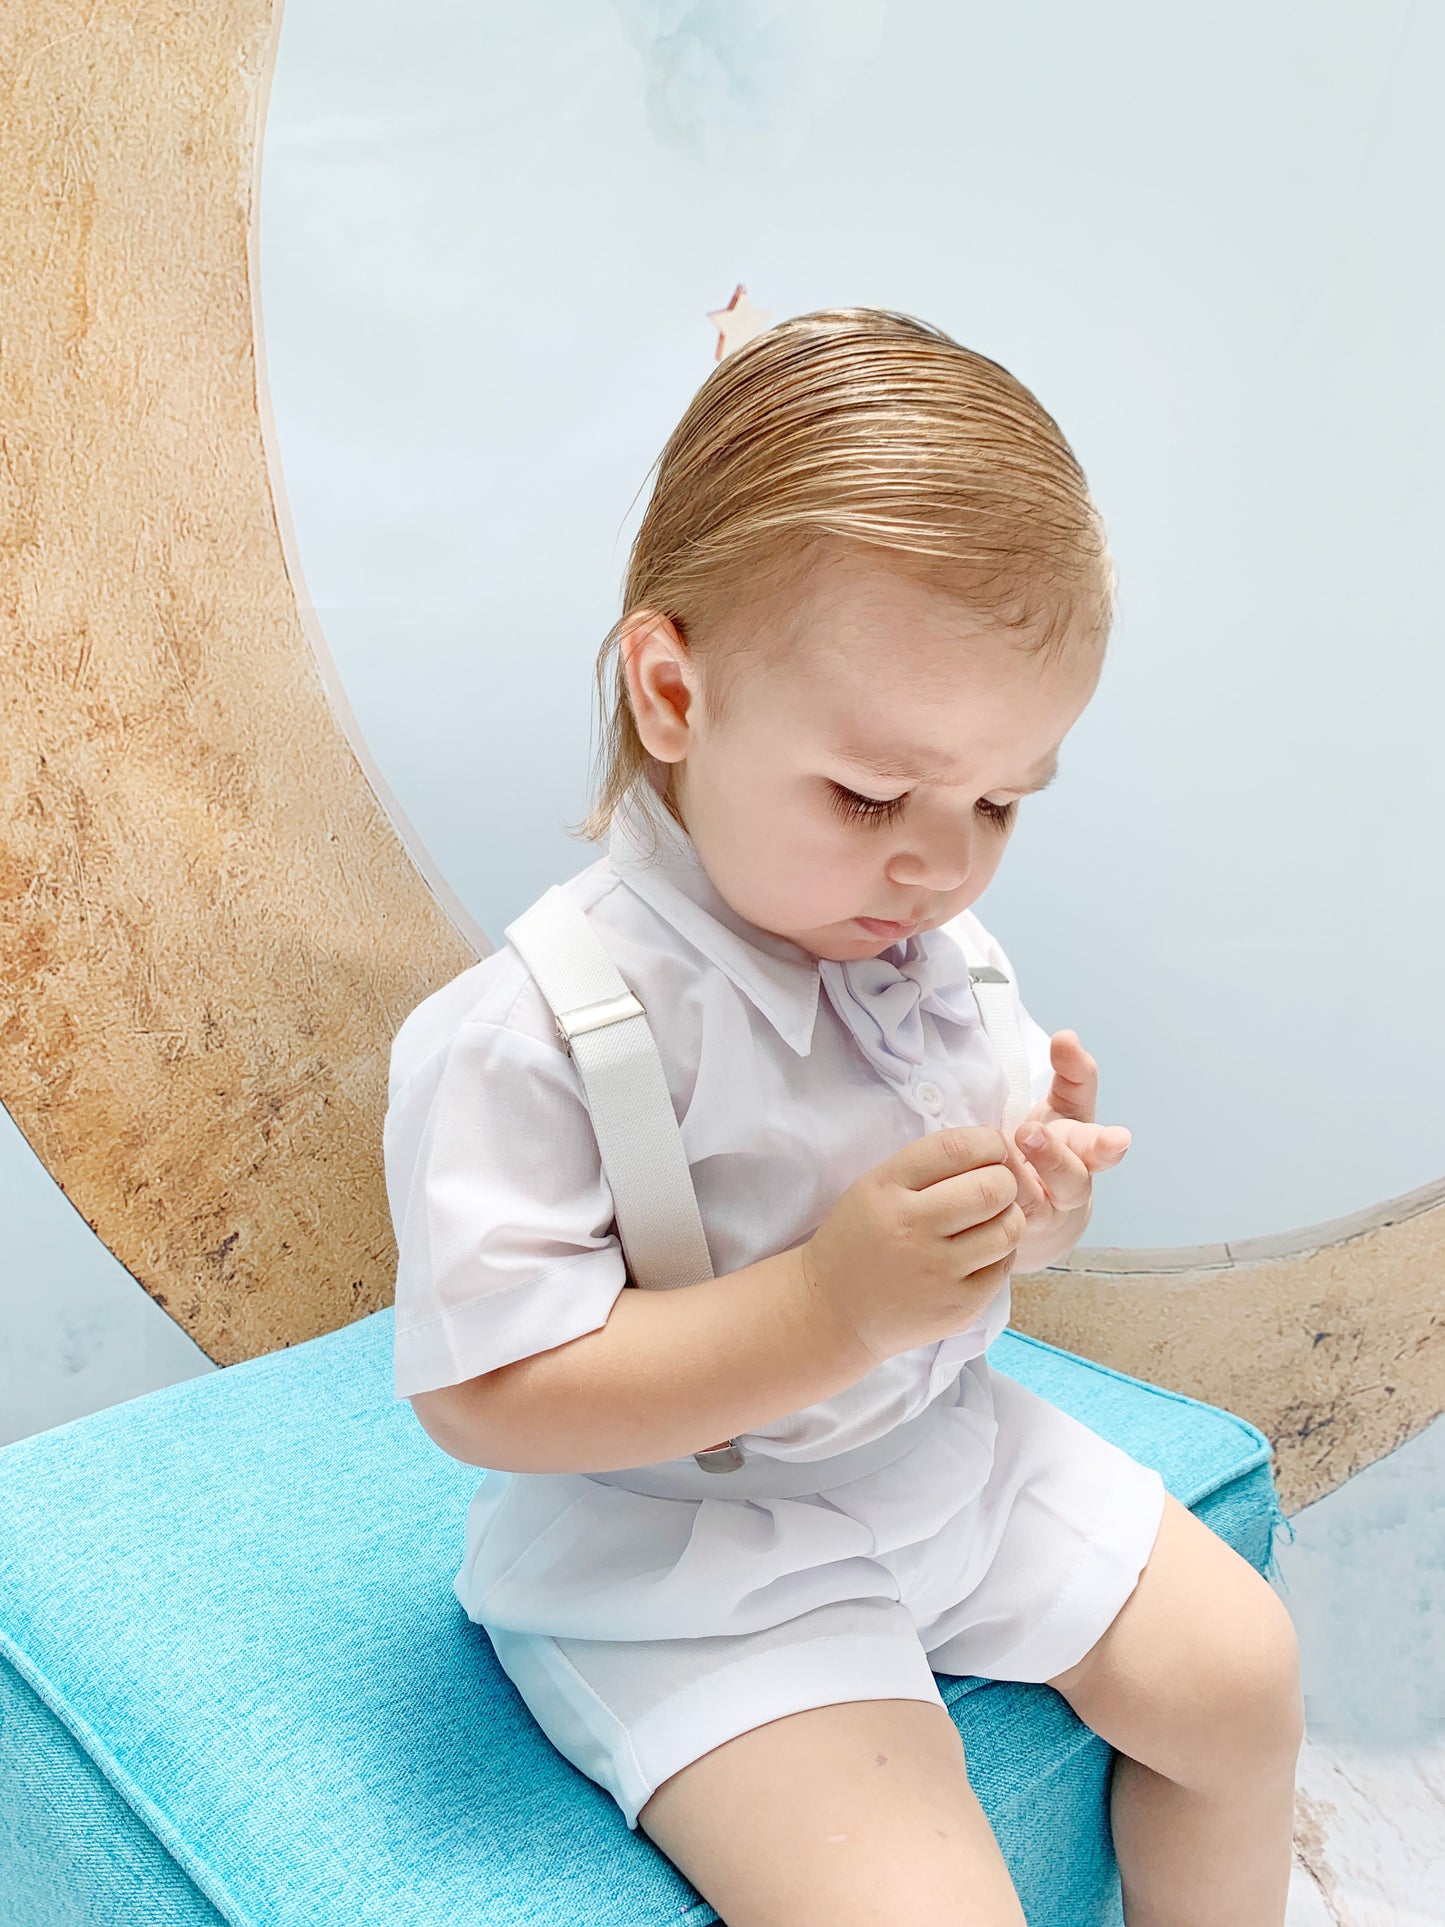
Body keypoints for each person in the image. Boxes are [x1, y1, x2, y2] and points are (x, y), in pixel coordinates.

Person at [384, 309, 1304, 1926]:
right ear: (672, 693)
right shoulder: (539, 1030)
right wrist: (828, 1304)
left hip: (939, 1458)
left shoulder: (924, 946)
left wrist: (1034, 1205)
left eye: (998, 801)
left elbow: (962, 1241)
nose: (939, 864)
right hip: (688, 1551)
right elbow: (488, 1393)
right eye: (872, 795)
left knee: (1242, 1678)